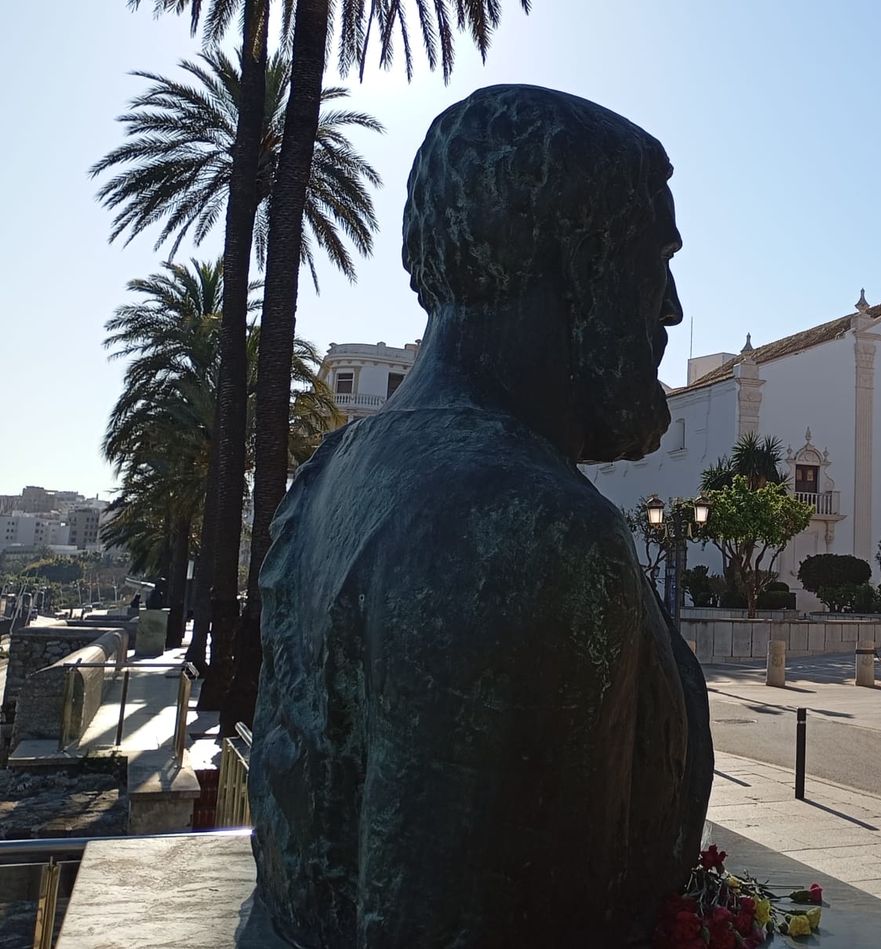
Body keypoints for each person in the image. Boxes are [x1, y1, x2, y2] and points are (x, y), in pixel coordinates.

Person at [250, 86, 712, 948]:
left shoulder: (328, 477)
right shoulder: (530, 537)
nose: (672, 309)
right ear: (574, 261)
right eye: (659, 257)